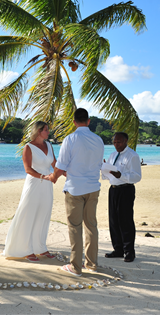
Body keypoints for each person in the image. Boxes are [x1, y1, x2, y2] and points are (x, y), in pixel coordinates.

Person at [50, 108, 104, 276]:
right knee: (91, 226)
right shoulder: (99, 140)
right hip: (93, 188)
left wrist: (53, 177)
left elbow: (61, 165)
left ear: (74, 122)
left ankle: (75, 267)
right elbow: (97, 163)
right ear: (88, 121)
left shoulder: (71, 139)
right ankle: (92, 263)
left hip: (75, 188)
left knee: (75, 227)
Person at [3, 121, 57, 261]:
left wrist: (65, 173)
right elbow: (27, 169)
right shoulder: (28, 147)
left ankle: (40, 247)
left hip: (47, 185)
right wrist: (43, 176)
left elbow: (55, 164)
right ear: (39, 131)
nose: (48, 132)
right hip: (34, 183)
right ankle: (25, 249)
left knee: (43, 214)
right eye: (46, 130)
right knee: (28, 214)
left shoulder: (49, 145)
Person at [102, 132, 142, 262]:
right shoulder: (113, 155)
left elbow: (137, 176)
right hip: (113, 190)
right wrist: (104, 168)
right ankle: (118, 249)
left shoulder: (132, 156)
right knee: (113, 221)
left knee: (125, 221)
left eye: (118, 142)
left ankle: (129, 251)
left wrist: (121, 176)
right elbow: (108, 175)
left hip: (126, 190)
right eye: (114, 142)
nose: (116, 145)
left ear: (126, 141)